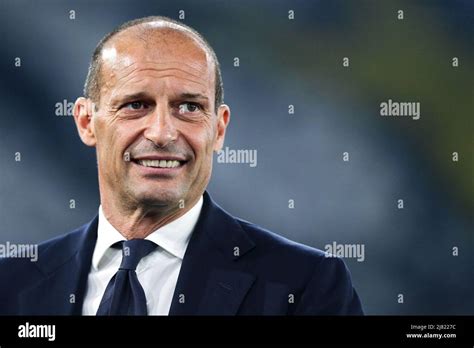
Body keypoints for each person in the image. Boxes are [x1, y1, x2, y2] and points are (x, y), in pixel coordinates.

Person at [0, 16, 363, 315]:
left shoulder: (305, 285)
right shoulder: (12, 285)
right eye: (136, 105)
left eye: (189, 107)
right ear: (85, 122)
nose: (161, 132)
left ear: (218, 128)